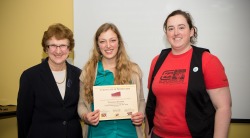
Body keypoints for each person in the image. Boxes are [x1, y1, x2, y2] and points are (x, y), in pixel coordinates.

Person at [145, 9, 232, 138]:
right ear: (166, 33)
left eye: (181, 27)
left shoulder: (208, 61)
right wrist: (147, 131)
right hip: (158, 135)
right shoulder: (157, 61)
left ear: (192, 31)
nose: (176, 33)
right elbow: (152, 102)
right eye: (170, 28)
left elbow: (224, 108)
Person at [77, 23, 145, 138]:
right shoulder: (89, 71)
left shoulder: (133, 70)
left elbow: (142, 100)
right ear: (98, 45)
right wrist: (86, 116)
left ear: (119, 42)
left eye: (112, 40)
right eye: (103, 41)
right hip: (99, 134)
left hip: (129, 134)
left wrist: (141, 115)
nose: (108, 46)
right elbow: (81, 104)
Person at [17, 23, 83, 138]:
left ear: (70, 49)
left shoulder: (79, 74)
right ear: (46, 48)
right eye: (53, 45)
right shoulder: (30, 76)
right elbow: (23, 118)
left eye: (63, 45)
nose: (58, 51)